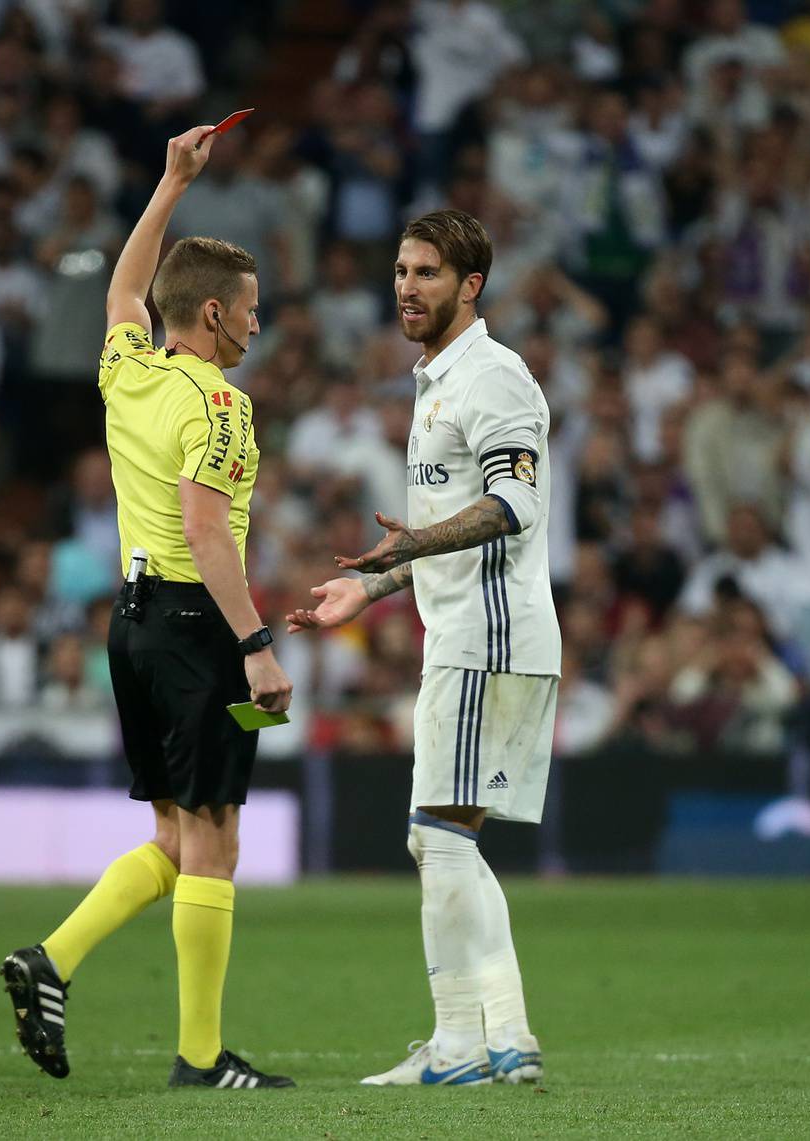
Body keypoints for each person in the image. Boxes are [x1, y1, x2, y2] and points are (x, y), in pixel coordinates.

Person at [0, 123, 295, 1092]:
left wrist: (170, 184)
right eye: (249, 311)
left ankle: (52, 960)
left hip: (129, 626)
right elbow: (207, 529)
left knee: (178, 837)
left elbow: (127, 289)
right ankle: (201, 1058)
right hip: (194, 625)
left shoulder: (129, 370)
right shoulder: (219, 407)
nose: (258, 325)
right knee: (215, 841)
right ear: (213, 314)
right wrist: (254, 643)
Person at [288, 209, 558, 1087]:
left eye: (427, 273)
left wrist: (408, 546)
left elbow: (512, 508)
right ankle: (500, 1040)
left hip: (488, 636)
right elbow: (447, 532)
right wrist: (369, 584)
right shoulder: (437, 381)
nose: (406, 286)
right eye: (401, 271)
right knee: (448, 838)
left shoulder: (495, 378)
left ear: (469, 285)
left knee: (437, 836)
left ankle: (464, 1046)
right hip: (470, 631)